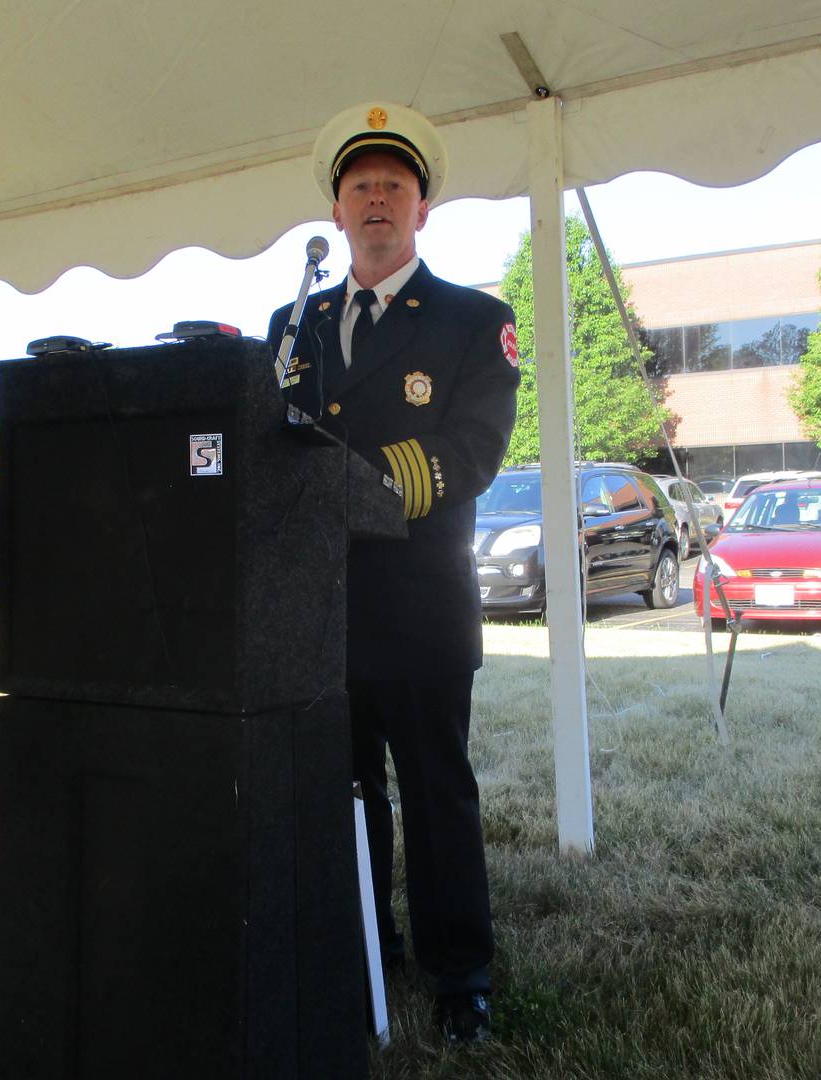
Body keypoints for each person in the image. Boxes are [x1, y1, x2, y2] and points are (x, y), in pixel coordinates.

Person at [266, 101, 520, 1044]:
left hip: (416, 603)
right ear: (336, 212)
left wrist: (361, 491)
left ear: (423, 211)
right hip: (318, 612)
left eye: (395, 186)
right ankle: (370, 944)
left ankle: (463, 979)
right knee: (344, 793)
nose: (378, 200)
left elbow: (473, 449)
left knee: (434, 794)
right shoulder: (293, 322)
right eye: (361, 186)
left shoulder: (471, 321)